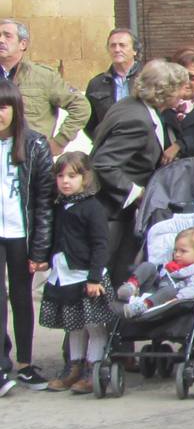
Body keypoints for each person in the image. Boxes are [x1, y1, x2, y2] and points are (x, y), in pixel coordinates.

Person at [90, 61, 187, 287]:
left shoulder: (129, 105)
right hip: (112, 211)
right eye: (180, 88)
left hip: (115, 210)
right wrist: (137, 192)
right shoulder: (138, 120)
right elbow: (104, 163)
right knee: (112, 273)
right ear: (165, 91)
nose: (184, 93)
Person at [0, 80, 56, 391]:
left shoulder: (34, 145)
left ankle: (24, 363)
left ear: (16, 109)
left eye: (4, 106)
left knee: (22, 298)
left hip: (21, 234)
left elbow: (44, 202)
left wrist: (40, 249)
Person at [40, 153, 111, 394]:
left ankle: (94, 369)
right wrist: (43, 260)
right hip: (64, 275)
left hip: (86, 276)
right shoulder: (60, 206)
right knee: (74, 326)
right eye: (60, 176)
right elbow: (57, 237)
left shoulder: (92, 208)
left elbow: (101, 244)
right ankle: (74, 368)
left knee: (94, 325)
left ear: (86, 177)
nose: (65, 181)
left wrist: (94, 278)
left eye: (72, 175)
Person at [0, 19, 89, 155]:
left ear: (23, 44)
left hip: (32, 156)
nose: (1, 40)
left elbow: (80, 105)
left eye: (7, 36)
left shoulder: (43, 76)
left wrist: (60, 141)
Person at [115, 227, 194, 320]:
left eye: (183, 251)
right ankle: (131, 286)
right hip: (154, 289)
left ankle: (141, 306)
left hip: (165, 298)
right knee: (149, 266)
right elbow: (159, 277)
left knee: (169, 291)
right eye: (175, 250)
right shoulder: (171, 264)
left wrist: (178, 297)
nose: (177, 254)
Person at [85, 27, 142, 137]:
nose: (117, 49)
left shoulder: (148, 79)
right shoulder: (96, 84)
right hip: (110, 145)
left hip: (143, 143)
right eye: (113, 45)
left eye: (122, 45)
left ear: (135, 50)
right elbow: (89, 122)